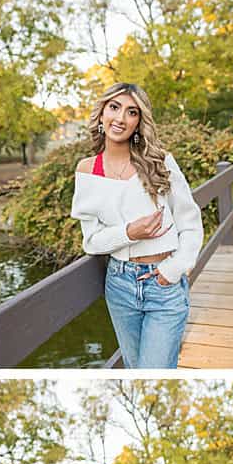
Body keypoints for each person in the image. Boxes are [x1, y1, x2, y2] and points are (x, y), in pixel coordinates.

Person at [69, 82, 203, 368]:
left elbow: (190, 223)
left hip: (163, 283)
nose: (120, 118)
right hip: (120, 284)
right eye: (114, 108)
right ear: (102, 114)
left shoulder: (161, 162)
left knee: (154, 371)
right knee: (135, 371)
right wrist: (130, 233)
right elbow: (90, 241)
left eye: (131, 112)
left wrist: (173, 269)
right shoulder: (86, 170)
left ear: (139, 122)